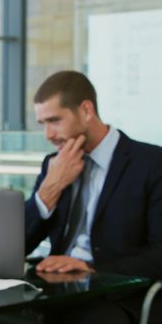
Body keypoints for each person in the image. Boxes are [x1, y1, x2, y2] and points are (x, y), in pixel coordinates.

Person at [25, 70, 162, 323]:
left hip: (118, 297)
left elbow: (160, 253)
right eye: (42, 124)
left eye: (54, 120)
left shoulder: (151, 164)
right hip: (56, 291)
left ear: (86, 110)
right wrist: (48, 192)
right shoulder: (53, 164)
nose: (48, 135)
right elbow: (19, 244)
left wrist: (92, 268)